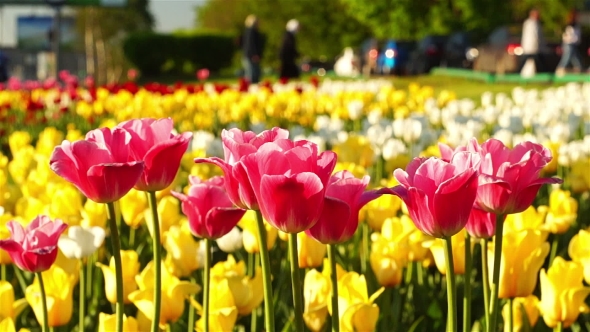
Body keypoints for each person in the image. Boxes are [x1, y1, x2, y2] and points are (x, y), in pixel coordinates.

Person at [518, 8, 546, 75]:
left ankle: (542, 74)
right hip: (531, 47)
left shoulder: (530, 23)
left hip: (531, 47)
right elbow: (535, 36)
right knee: (538, 62)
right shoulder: (532, 23)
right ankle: (543, 75)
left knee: (537, 62)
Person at [556, 10, 583, 76]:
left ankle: (578, 68)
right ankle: (560, 69)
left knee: (575, 57)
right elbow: (567, 36)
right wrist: (573, 39)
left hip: (573, 44)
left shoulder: (576, 25)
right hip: (569, 43)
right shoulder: (570, 25)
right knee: (567, 57)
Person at [241, 15, 263, 84]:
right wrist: (255, 54)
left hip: (248, 54)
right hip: (251, 55)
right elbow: (251, 44)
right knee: (252, 74)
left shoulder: (247, 31)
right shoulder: (252, 31)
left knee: (251, 72)